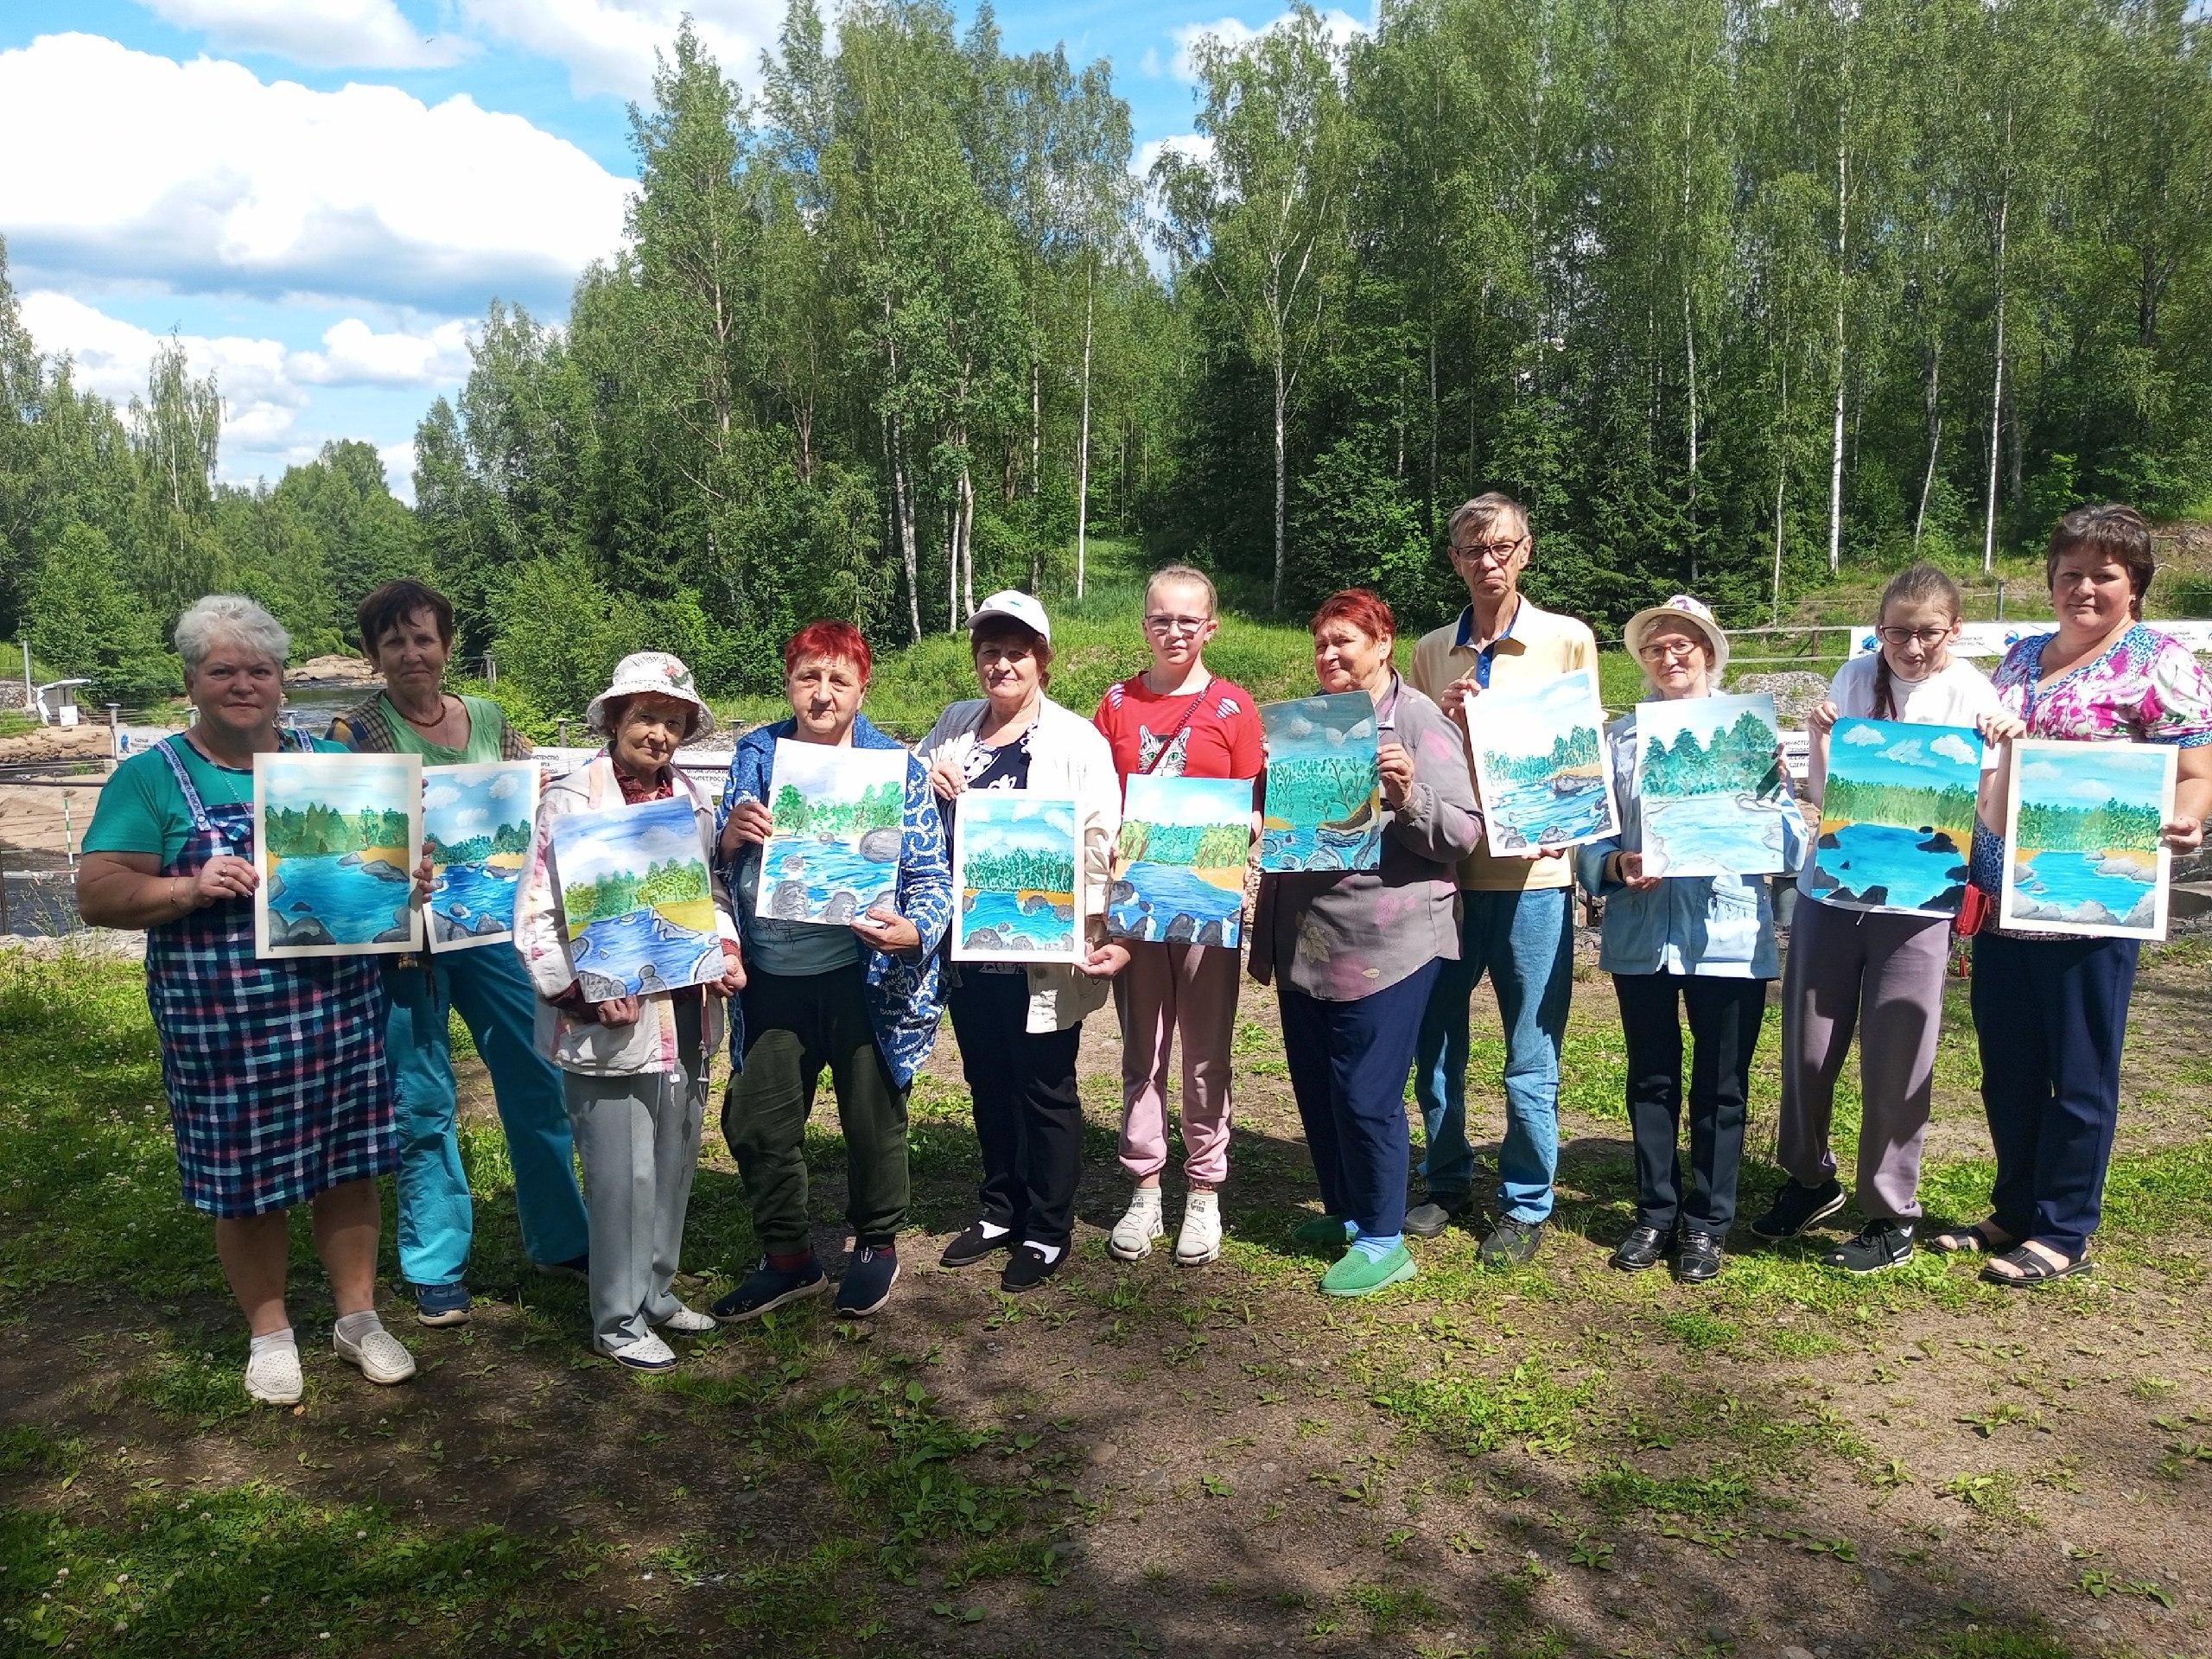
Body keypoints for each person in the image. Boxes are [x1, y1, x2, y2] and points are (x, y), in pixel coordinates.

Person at [77, 595, 426, 1404]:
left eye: (259, 670)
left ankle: (358, 1320)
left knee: (351, 1165)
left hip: (338, 1005)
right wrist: (188, 887)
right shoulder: (151, 776)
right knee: (244, 1180)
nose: (244, 684)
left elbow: (381, 859)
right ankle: (270, 1334)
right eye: (222, 670)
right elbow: (97, 893)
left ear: (281, 681)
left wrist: (406, 878)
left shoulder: (321, 763)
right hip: (222, 1018)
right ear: (192, 682)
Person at [1944, 505, 2212, 1286]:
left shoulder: (2160, 662)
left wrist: (2186, 822)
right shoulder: (2020, 657)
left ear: (2136, 585)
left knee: (2081, 1073)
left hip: (2094, 906)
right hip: (2002, 900)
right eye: (2070, 574)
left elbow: (2196, 776)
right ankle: (2014, 1207)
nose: (2083, 588)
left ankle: (2064, 1228)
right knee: (2008, 1067)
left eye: (2104, 575)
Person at [329, 579, 590, 1327]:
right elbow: (348, 844)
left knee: (538, 1077)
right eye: (393, 641)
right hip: (401, 943)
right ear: (374, 654)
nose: (412, 653)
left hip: (491, 932)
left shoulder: (489, 719)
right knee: (422, 1099)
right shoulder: (353, 733)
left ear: (447, 645)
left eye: (423, 638)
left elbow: (528, 808)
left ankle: (561, 1237)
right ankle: (435, 1260)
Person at [1751, 564, 2020, 1272]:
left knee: (1900, 1055)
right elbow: (1823, 792)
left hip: (1922, 903)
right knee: (1808, 1050)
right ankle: (1810, 1178)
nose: (1911, 646)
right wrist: (1817, 737)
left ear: (1954, 631)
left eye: (1928, 633)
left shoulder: (1972, 693)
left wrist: (2007, 748)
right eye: (1897, 631)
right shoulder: (1852, 676)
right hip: (1832, 891)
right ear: (1879, 629)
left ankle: (1890, 1214)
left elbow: (1989, 816)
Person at [713, 622, 951, 1319]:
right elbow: (719, 869)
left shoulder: (897, 768)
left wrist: (916, 930)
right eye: (808, 678)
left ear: (861, 687)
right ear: (789, 682)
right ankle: (788, 1260)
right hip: (772, 975)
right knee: (757, 1122)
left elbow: (933, 876)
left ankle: (875, 1244)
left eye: (838, 680)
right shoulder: (757, 754)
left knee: (873, 1120)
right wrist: (729, 838)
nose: (822, 694)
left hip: (863, 977)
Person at [512, 652, 742, 1371]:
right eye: (646, 717)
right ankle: (615, 1317)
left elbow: (709, 894)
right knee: (620, 1173)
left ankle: (657, 1292)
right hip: (606, 1022)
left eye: (674, 722)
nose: (660, 735)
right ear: (615, 719)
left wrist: (726, 950)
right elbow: (536, 918)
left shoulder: (692, 802)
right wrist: (581, 990)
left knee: (673, 1161)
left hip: (685, 1010)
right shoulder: (570, 800)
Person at [1252, 590, 1483, 1296]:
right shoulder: (1307, 725)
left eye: (1345, 641)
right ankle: (1349, 1211)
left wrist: (1409, 794)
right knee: (1319, 1088)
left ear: (1384, 644)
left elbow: (1464, 834)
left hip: (1390, 940)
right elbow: (1290, 829)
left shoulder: (1419, 720)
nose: (1329, 655)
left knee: (1365, 1091)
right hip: (1310, 938)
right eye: (1321, 643)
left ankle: (1385, 1238)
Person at [1575, 597, 1802, 1284]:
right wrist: (1614, 867)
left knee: (1722, 1087)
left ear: (1709, 651)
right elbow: (1592, 839)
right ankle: (1655, 1213)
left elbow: (1789, 848)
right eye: (1655, 648)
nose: (1669, 658)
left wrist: (1774, 798)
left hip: (1729, 934)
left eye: (1683, 645)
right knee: (1651, 1078)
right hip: (1642, 936)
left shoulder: (1749, 736)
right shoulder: (1618, 739)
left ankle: (1707, 1223)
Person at [1407, 493, 1599, 1265]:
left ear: (1526, 551)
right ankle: (1447, 1176)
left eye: (1502, 548)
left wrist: (1588, 861)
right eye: (1472, 551)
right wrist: (1447, 724)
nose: (1488, 562)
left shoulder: (1567, 641)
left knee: (1532, 1049)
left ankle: (1525, 1202)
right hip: (1448, 880)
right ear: (1454, 560)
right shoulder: (1428, 651)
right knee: (1439, 1043)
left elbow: (1584, 762)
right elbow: (1412, 766)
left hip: (1537, 878)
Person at [918, 592, 1128, 1292]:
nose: (1001, 664)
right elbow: (907, 806)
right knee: (986, 1079)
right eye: (989, 651)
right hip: (968, 946)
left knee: (1044, 1085)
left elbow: (1101, 840)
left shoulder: (1078, 741)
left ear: (1042, 659)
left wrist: (1091, 928)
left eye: (1016, 652)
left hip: (1044, 949)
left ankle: (1046, 1227)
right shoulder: (953, 726)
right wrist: (926, 780)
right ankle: (1000, 1207)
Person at [1091, 564, 1264, 1267]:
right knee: (1142, 1050)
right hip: (1136, 905)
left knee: (1205, 1053)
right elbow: (1100, 798)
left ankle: (1204, 1190)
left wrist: (1249, 828)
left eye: (1187, 621)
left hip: (1207, 904)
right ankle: (1144, 1186)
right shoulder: (1116, 704)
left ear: (1210, 628)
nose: (1174, 632)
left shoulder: (1235, 707)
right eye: (1161, 619)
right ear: (1144, 624)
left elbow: (1255, 800)